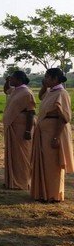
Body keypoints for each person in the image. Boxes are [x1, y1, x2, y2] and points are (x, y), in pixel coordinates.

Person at [30, 68, 74, 203]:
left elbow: (63, 117)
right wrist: (44, 86)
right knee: (44, 162)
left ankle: (53, 194)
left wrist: (56, 137)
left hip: (54, 132)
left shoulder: (62, 93)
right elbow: (41, 97)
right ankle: (43, 192)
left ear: (55, 79)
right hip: (44, 132)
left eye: (47, 77)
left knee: (53, 164)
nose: (45, 79)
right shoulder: (51, 92)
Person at [2, 71, 36, 190]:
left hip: (21, 128)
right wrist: (7, 81)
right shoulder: (15, 90)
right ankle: (12, 180)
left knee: (22, 155)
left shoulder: (26, 93)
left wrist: (28, 131)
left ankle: (21, 182)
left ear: (19, 79)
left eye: (12, 78)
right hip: (13, 126)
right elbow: (6, 90)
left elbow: (31, 113)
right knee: (14, 154)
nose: (11, 80)